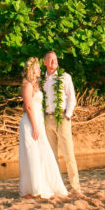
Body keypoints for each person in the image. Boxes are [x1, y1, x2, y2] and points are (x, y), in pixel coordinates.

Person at [18, 57, 68, 199]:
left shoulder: (35, 85)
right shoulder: (27, 85)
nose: (40, 69)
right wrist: (34, 127)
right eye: (38, 68)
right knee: (32, 154)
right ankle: (32, 188)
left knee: (42, 153)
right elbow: (27, 106)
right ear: (33, 70)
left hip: (38, 121)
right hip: (30, 123)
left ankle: (43, 184)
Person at [43, 50, 81, 194]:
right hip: (47, 119)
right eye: (50, 59)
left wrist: (67, 116)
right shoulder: (42, 80)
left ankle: (75, 186)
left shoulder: (65, 77)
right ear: (45, 62)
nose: (54, 61)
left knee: (68, 154)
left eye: (55, 59)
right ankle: (57, 186)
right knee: (52, 156)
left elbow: (72, 99)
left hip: (62, 118)